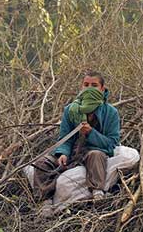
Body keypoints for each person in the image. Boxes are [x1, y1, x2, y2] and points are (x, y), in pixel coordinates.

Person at [32, 71, 121, 201]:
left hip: (94, 153)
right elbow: (65, 138)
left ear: (102, 89)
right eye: (86, 85)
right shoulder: (71, 110)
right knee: (42, 163)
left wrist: (91, 133)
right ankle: (45, 200)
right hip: (73, 154)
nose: (89, 88)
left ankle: (97, 192)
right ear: (81, 87)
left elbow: (111, 143)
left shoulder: (111, 112)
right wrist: (63, 153)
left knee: (95, 155)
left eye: (94, 85)